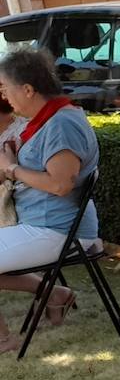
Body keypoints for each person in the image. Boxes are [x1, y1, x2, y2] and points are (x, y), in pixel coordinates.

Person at [0, 49, 97, 353]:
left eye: (5, 88)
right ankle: (54, 294)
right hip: (44, 225)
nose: (4, 96)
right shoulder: (52, 119)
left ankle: (4, 339)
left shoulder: (60, 124)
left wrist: (12, 169)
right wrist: (14, 166)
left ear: (27, 89)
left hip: (56, 230)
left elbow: (60, 184)